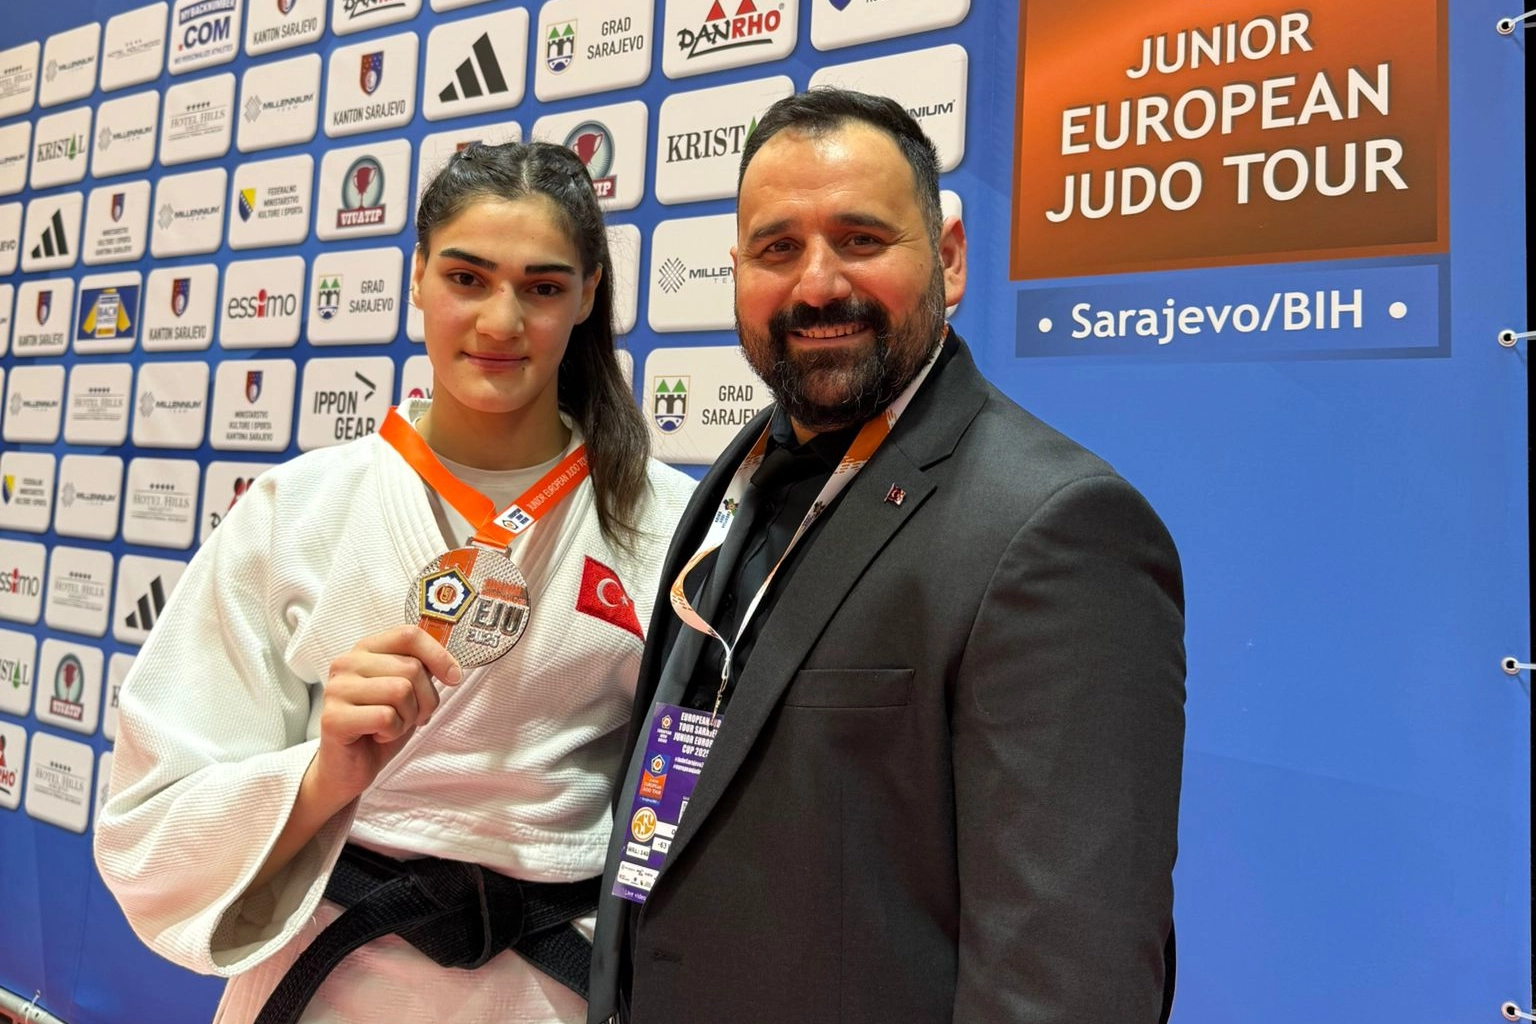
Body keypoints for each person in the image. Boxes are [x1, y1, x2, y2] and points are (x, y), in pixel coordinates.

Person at [587, 89, 1186, 1024]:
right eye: (777, 249)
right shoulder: (738, 479)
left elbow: (1065, 981)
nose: (817, 285)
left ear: (948, 258)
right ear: (737, 271)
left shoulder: (1058, 528)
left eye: (860, 239)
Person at [95, 141, 694, 1024]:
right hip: (331, 972)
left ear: (587, 295)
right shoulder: (296, 510)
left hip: (550, 986)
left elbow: (697, 796)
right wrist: (320, 776)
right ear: (416, 276)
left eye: (541, 287)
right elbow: (152, 819)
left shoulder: (668, 524)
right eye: (466, 278)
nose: (500, 322)